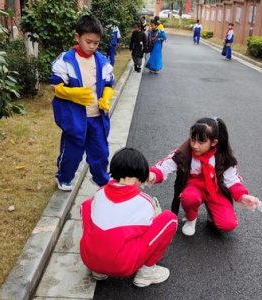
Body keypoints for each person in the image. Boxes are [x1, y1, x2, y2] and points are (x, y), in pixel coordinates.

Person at [148, 117, 262, 236]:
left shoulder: (223, 157)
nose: (195, 145)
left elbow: (232, 180)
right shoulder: (185, 152)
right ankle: (191, 219)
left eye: (201, 142)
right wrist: (152, 174)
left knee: (228, 225)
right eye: (193, 140)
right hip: (194, 187)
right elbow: (166, 165)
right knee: (189, 197)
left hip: (215, 190)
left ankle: (212, 212)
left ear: (213, 142)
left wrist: (242, 196)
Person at [80, 148, 178, 287]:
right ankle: (147, 272)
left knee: (87, 205)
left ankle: (98, 270)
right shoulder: (144, 200)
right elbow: (150, 227)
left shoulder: (99, 193)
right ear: (140, 176)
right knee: (169, 218)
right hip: (123, 266)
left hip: (89, 259)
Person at [49, 15, 115, 191]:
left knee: (101, 151)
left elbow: (109, 83)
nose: (92, 46)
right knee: (72, 151)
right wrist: (72, 94)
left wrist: (106, 98)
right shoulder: (66, 60)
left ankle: (101, 179)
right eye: (88, 41)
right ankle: (64, 177)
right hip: (75, 118)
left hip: (96, 117)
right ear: (77, 37)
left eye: (96, 43)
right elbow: (55, 86)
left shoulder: (102, 61)